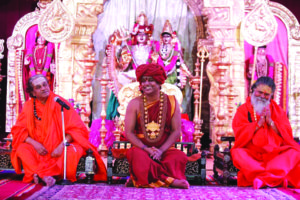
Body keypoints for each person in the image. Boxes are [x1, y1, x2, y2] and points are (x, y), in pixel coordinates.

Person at [10, 74, 107, 186]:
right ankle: (44, 176)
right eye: (38, 87)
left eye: (45, 85)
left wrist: (62, 145)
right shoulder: (28, 107)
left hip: (59, 147)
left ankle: (40, 174)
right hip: (38, 148)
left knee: (70, 153)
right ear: (32, 93)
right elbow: (18, 130)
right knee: (22, 149)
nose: (43, 88)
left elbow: (76, 129)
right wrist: (35, 144)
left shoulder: (59, 103)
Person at [124, 63, 189, 188]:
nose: (146, 84)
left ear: (159, 82)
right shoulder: (134, 103)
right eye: (143, 80)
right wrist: (146, 149)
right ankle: (170, 181)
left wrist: (160, 151)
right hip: (142, 149)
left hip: (164, 149)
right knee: (136, 156)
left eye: (151, 80)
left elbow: (176, 131)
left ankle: (142, 178)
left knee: (178, 157)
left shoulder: (171, 101)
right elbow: (129, 133)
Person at [231, 76, 300, 189]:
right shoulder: (243, 110)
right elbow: (239, 132)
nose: (262, 96)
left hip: (275, 154)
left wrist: (271, 123)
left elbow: (287, 135)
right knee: (238, 153)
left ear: (271, 95)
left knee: (295, 152)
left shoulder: (277, 111)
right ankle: (275, 178)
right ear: (253, 90)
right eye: (260, 92)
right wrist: (258, 125)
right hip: (252, 153)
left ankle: (262, 179)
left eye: (266, 94)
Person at [154, 20, 191, 88]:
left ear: (171, 37)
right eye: (164, 36)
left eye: (168, 37)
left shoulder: (174, 49)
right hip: (160, 74)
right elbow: (154, 62)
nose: (166, 39)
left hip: (172, 74)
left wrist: (188, 73)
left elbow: (180, 61)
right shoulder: (158, 48)